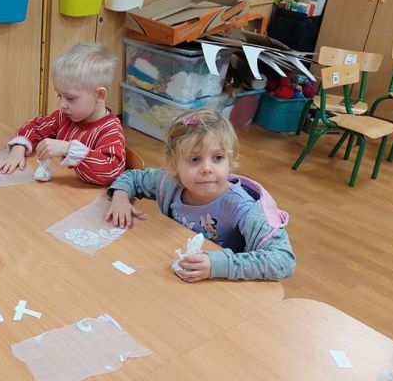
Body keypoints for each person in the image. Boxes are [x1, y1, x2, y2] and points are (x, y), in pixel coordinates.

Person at [105, 109, 296, 281]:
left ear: (231, 162)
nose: (207, 168)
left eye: (218, 158)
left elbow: (283, 260)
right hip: (170, 273)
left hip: (220, 287)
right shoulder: (169, 182)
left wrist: (218, 265)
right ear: (173, 165)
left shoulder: (243, 207)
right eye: (195, 159)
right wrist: (120, 197)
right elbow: (134, 177)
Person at [0, 43, 126, 186]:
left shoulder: (110, 130)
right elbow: (35, 127)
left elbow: (111, 171)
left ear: (99, 95)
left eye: (70, 98)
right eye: (60, 96)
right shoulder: (65, 116)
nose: (62, 105)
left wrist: (67, 148)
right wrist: (18, 149)